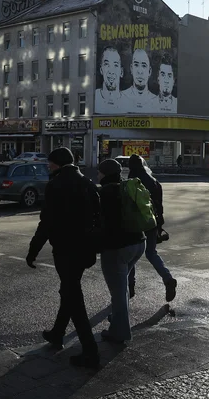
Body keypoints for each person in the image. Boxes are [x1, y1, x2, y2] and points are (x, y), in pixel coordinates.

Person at [27, 147, 101, 368]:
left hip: (65, 250)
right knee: (69, 289)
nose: (48, 166)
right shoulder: (88, 184)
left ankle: (90, 350)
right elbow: (98, 217)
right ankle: (58, 333)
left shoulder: (56, 185)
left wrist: (33, 250)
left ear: (58, 164)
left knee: (73, 297)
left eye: (50, 163)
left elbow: (47, 222)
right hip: (84, 249)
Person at [96, 159, 146, 343]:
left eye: (100, 172)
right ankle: (117, 322)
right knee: (122, 287)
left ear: (105, 174)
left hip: (117, 247)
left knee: (118, 293)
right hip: (139, 242)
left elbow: (102, 223)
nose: (97, 174)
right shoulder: (126, 188)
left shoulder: (105, 192)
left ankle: (121, 332)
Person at [126, 155, 176, 301]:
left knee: (130, 256)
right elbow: (159, 206)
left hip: (136, 224)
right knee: (151, 253)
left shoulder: (131, 182)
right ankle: (168, 279)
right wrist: (159, 224)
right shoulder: (154, 181)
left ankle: (130, 287)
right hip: (152, 222)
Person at [95, 46, 127, 114]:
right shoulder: (94, 97)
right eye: (107, 64)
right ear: (101, 70)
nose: (111, 71)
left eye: (115, 65)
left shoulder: (128, 102)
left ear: (121, 72)